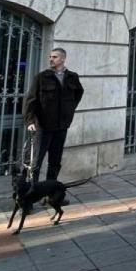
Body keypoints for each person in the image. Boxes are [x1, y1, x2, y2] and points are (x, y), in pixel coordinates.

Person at [23, 48, 85, 182]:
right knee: (35, 162)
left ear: (63, 59)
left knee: (55, 162)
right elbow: (31, 100)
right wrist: (30, 121)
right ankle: (32, 193)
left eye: (55, 57)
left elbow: (78, 93)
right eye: (50, 57)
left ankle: (51, 194)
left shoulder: (72, 77)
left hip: (61, 126)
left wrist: (69, 110)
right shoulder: (41, 77)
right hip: (43, 126)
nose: (51, 59)